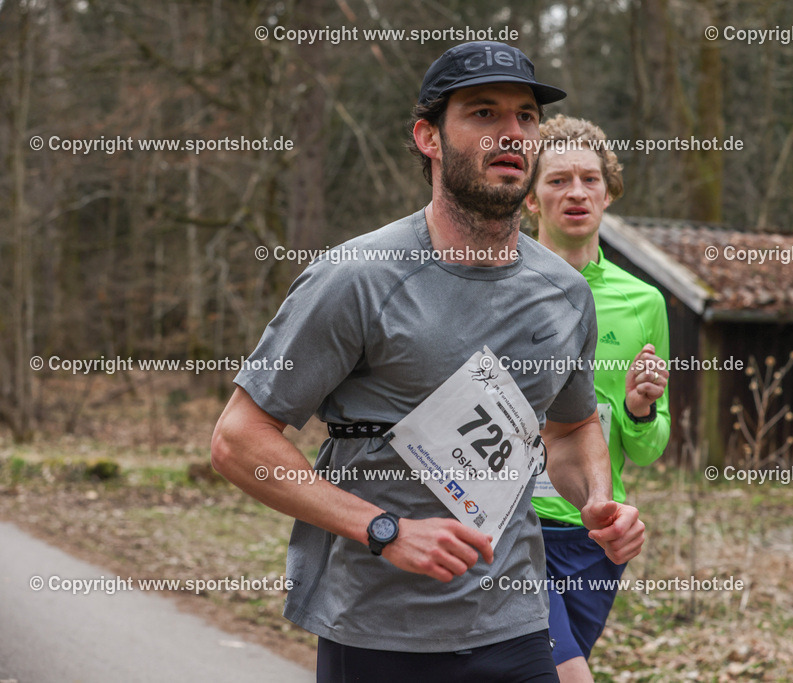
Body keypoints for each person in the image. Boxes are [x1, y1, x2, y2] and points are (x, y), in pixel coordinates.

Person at [210, 43, 645, 683]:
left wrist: (599, 503)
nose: (511, 133)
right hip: (379, 625)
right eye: (483, 113)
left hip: (518, 619)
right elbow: (238, 441)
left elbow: (571, 428)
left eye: (526, 116)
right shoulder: (356, 279)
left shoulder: (564, 294)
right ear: (428, 137)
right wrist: (385, 530)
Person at [525, 115, 671, 683]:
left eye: (590, 179)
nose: (576, 192)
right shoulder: (498, 287)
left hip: (594, 534)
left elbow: (648, 451)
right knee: (565, 674)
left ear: (608, 194)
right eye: (558, 180)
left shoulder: (644, 303)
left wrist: (641, 409)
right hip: (514, 525)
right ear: (532, 199)